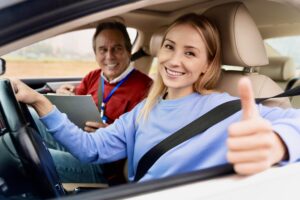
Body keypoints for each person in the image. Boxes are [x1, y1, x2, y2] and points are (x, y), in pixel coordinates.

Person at [13, 13, 300, 182]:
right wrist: (41, 102)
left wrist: (278, 143)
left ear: (207, 65)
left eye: (190, 53)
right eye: (169, 47)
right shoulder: (144, 110)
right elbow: (91, 148)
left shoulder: (225, 107)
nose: (174, 61)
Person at [37, 21, 152, 185]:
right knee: (34, 116)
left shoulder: (146, 88)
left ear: (128, 51)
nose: (109, 56)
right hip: (80, 140)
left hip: (106, 165)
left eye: (117, 48)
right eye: (103, 50)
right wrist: (65, 95)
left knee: (33, 158)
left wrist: (113, 134)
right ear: (95, 53)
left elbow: (145, 140)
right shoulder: (93, 77)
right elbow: (72, 110)